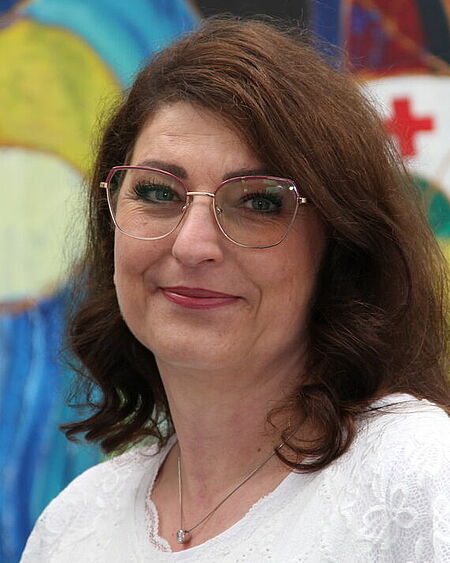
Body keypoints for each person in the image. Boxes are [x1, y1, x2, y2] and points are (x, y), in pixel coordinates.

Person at [21, 17, 449, 563]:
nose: (192, 245)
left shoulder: (418, 478)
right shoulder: (73, 525)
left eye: (259, 202)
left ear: (339, 247)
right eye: (158, 192)